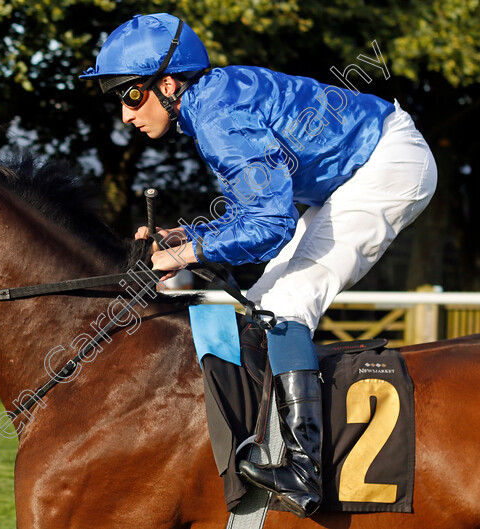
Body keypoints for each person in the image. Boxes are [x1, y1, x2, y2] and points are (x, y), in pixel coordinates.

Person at [81, 13, 436, 517]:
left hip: (388, 164)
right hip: (363, 165)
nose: (125, 114)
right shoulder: (211, 103)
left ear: (167, 83)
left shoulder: (216, 118)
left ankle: (304, 466)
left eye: (131, 95)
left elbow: (271, 227)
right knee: (267, 305)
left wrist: (185, 253)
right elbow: (258, 212)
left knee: (288, 303)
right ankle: (275, 444)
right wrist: (189, 236)